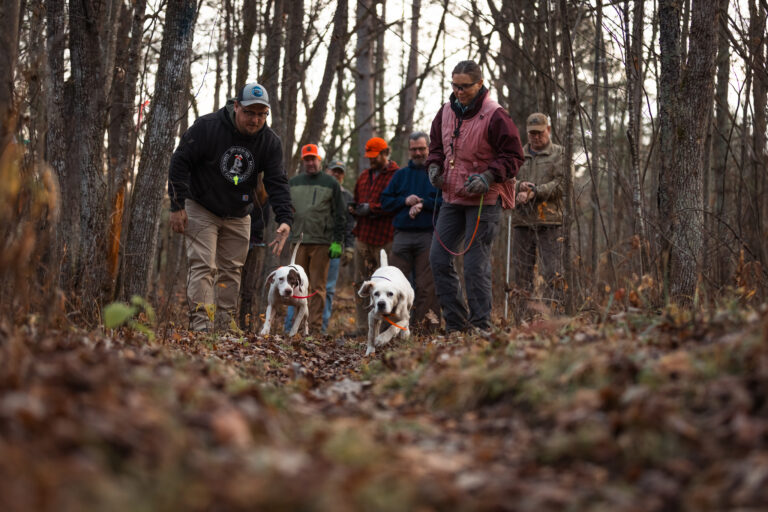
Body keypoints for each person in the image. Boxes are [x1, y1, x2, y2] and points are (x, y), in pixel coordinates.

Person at [169, 82, 292, 332]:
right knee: (203, 266)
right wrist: (177, 204)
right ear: (236, 106)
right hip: (201, 206)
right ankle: (202, 327)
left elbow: (277, 181)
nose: (255, 119)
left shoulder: (269, 142)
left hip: (238, 213)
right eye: (249, 112)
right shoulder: (208, 127)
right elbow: (179, 161)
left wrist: (285, 218)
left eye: (261, 114)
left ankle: (224, 326)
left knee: (232, 271)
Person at [426, 60, 524, 333]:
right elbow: (436, 147)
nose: (459, 91)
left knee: (473, 263)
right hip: (451, 197)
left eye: (465, 86)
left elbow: (514, 156)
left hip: (485, 198)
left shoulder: (496, 115)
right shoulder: (445, 112)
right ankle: (456, 325)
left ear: (479, 84)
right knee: (437, 258)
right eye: (455, 86)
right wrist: (434, 166)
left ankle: (481, 325)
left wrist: (489, 177)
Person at [381, 131, 441, 333]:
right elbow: (385, 202)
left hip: (428, 235)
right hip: (402, 236)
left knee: (426, 286)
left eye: (421, 149)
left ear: (428, 149)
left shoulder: (436, 174)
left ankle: (424, 331)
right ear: (409, 150)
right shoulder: (400, 175)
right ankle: (391, 329)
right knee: (393, 284)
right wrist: (404, 201)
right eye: (414, 149)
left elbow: (446, 201)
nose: (417, 153)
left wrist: (424, 204)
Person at [511, 113, 567, 320]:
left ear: (549, 130)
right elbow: (507, 181)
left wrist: (535, 191)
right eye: (532, 133)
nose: (536, 137)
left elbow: (562, 184)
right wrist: (518, 187)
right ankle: (522, 320)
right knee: (522, 274)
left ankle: (555, 317)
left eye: (540, 132)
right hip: (522, 222)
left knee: (553, 272)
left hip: (550, 222)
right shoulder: (517, 155)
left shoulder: (560, 154)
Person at [284, 144, 346, 331]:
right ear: (303, 161)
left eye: (313, 159)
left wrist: (337, 241)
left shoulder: (331, 183)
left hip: (322, 242)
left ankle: (316, 329)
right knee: (295, 285)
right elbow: (286, 208)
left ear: (319, 160)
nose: (310, 162)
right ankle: (294, 327)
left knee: (318, 287)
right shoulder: (294, 182)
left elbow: (340, 214)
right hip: (298, 242)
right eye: (307, 159)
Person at [350, 137, 399, 335]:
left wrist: (372, 208)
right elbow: (356, 199)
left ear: (385, 153)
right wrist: (354, 209)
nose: (372, 160)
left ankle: (387, 326)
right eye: (369, 156)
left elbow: (397, 203)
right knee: (361, 283)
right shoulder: (363, 176)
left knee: (387, 285)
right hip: (363, 235)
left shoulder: (397, 175)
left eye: (375, 156)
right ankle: (363, 326)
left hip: (386, 237)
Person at [322, 160, 356, 333]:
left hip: (334, 247)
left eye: (339, 172)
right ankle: (293, 325)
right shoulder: (319, 189)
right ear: (327, 171)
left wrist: (349, 247)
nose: (336, 174)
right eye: (333, 170)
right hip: (315, 244)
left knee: (328, 288)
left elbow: (350, 224)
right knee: (305, 286)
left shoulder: (348, 197)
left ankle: (322, 326)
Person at [238, 192, 270, 331]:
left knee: (249, 290)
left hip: (255, 246)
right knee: (232, 285)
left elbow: (264, 222)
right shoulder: (239, 190)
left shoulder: (263, 197)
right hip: (236, 242)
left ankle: (246, 326)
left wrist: (245, 228)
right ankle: (229, 323)